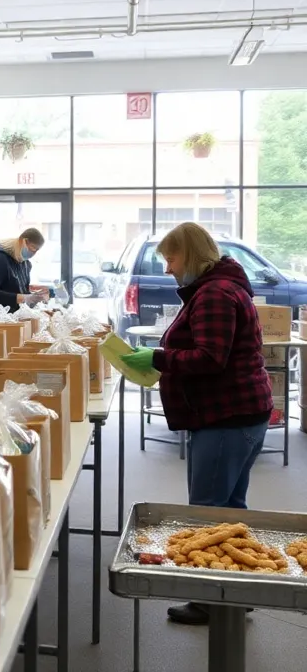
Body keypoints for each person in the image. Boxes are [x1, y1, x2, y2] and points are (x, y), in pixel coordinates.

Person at [122, 222, 271, 626]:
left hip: (226, 416)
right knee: (231, 510)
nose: (168, 268)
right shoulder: (219, 288)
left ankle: (211, 600)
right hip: (241, 414)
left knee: (208, 513)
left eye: (171, 258)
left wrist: (158, 359)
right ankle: (237, 592)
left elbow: (210, 358)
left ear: (192, 254)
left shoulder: (215, 294)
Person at [0, 227, 49, 316]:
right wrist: (22, 298)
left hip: (11, 319)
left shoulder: (25, 264)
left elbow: (20, 292)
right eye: (32, 248)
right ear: (23, 241)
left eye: (36, 250)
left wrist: (35, 298)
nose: (33, 253)